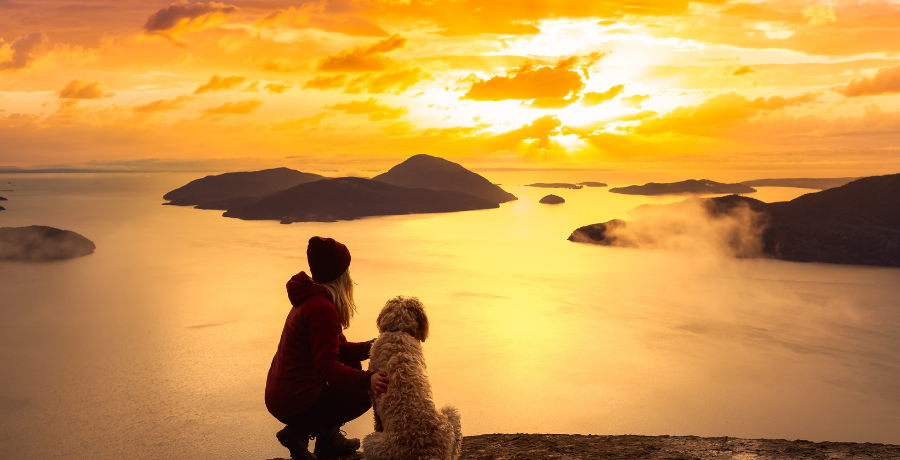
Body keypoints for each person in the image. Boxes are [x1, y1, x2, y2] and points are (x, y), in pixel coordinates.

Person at [266, 236, 390, 459]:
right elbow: (327, 366)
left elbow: (339, 349)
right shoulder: (322, 309)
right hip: (295, 399)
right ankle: (299, 433)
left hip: (284, 394)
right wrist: (367, 379)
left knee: (351, 364)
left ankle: (327, 440)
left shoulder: (311, 299)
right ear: (340, 275)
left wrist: (378, 344)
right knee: (363, 395)